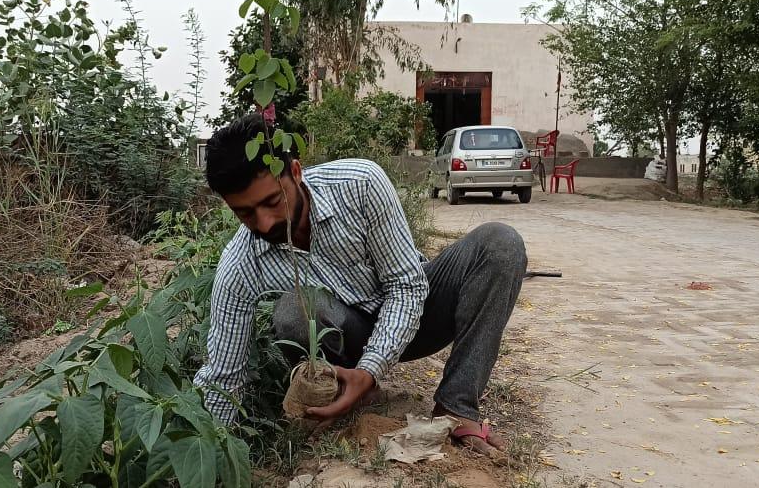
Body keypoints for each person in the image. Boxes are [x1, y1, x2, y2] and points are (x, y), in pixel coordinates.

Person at [193, 114, 527, 456]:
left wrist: (371, 369)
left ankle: (457, 408)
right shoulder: (241, 264)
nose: (263, 223)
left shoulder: (359, 184)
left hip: (418, 318)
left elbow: (407, 286)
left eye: (271, 202)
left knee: (501, 244)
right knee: (296, 310)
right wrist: (205, 447)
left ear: (295, 173)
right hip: (344, 345)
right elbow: (223, 373)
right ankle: (342, 396)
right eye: (246, 213)